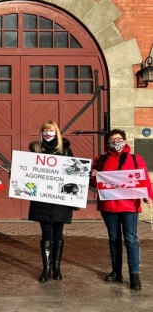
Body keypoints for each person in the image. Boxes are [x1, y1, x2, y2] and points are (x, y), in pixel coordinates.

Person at [90, 129, 153, 290]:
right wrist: (93, 176)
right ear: (107, 143)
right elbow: (93, 184)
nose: (116, 142)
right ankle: (116, 271)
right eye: (112, 140)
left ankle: (134, 274)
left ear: (124, 141)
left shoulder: (135, 159)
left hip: (129, 205)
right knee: (113, 239)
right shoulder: (100, 159)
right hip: (108, 206)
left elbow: (144, 178)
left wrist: (147, 196)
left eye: (119, 139)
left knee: (131, 239)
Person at [28, 120, 75, 282]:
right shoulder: (35, 150)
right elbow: (27, 171)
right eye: (45, 131)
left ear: (57, 133)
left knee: (58, 232)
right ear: (41, 133)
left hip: (60, 198)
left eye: (51, 131)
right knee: (46, 231)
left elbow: (73, 174)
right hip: (42, 198)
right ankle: (46, 268)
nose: (48, 134)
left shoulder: (66, 152)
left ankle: (57, 267)